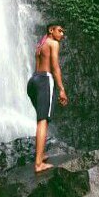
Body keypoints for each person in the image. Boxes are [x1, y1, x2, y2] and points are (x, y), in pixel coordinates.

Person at [26, 22, 68, 172]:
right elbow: (55, 67)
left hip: (33, 81)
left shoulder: (40, 44)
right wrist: (61, 89)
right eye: (60, 31)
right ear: (51, 30)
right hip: (44, 80)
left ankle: (40, 154)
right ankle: (38, 163)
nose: (62, 35)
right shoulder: (52, 43)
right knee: (43, 120)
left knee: (41, 118)